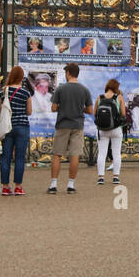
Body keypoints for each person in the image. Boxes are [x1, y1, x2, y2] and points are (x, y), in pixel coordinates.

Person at [48, 62, 93, 193]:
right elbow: (90, 110)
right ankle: (71, 185)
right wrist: (80, 109)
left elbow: (53, 108)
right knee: (75, 155)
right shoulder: (84, 90)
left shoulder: (60, 89)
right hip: (77, 125)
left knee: (57, 154)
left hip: (62, 125)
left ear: (68, 73)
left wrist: (63, 108)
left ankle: (53, 185)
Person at [0, 66, 33, 195]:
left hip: (7, 127)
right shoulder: (25, 93)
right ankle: (18, 186)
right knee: (19, 157)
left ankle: (5, 187)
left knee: (6, 157)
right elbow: (29, 111)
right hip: (22, 126)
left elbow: (0, 109)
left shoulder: (3, 91)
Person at [95, 77, 127, 186]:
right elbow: (123, 114)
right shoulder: (119, 97)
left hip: (102, 130)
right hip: (116, 129)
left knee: (102, 153)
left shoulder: (99, 97)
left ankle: (101, 177)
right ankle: (115, 177)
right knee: (116, 153)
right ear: (116, 87)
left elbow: (95, 113)